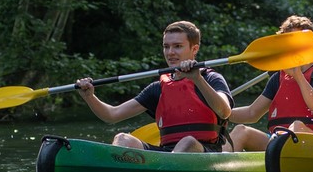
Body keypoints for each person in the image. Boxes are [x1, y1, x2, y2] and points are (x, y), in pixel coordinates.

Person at [75, 21, 234, 152]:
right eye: (166, 46)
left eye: (177, 46)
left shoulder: (211, 78)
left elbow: (224, 111)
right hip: (166, 153)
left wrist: (197, 79)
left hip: (204, 152)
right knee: (122, 139)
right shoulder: (157, 88)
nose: (170, 52)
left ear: (194, 49)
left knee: (187, 142)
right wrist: (89, 96)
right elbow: (111, 115)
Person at [229, 16, 313, 151]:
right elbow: (252, 113)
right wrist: (222, 113)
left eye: (294, 40)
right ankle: (221, 169)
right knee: (241, 131)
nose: (290, 46)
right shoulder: (278, 78)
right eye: (287, 42)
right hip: (277, 144)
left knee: (297, 126)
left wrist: (298, 76)